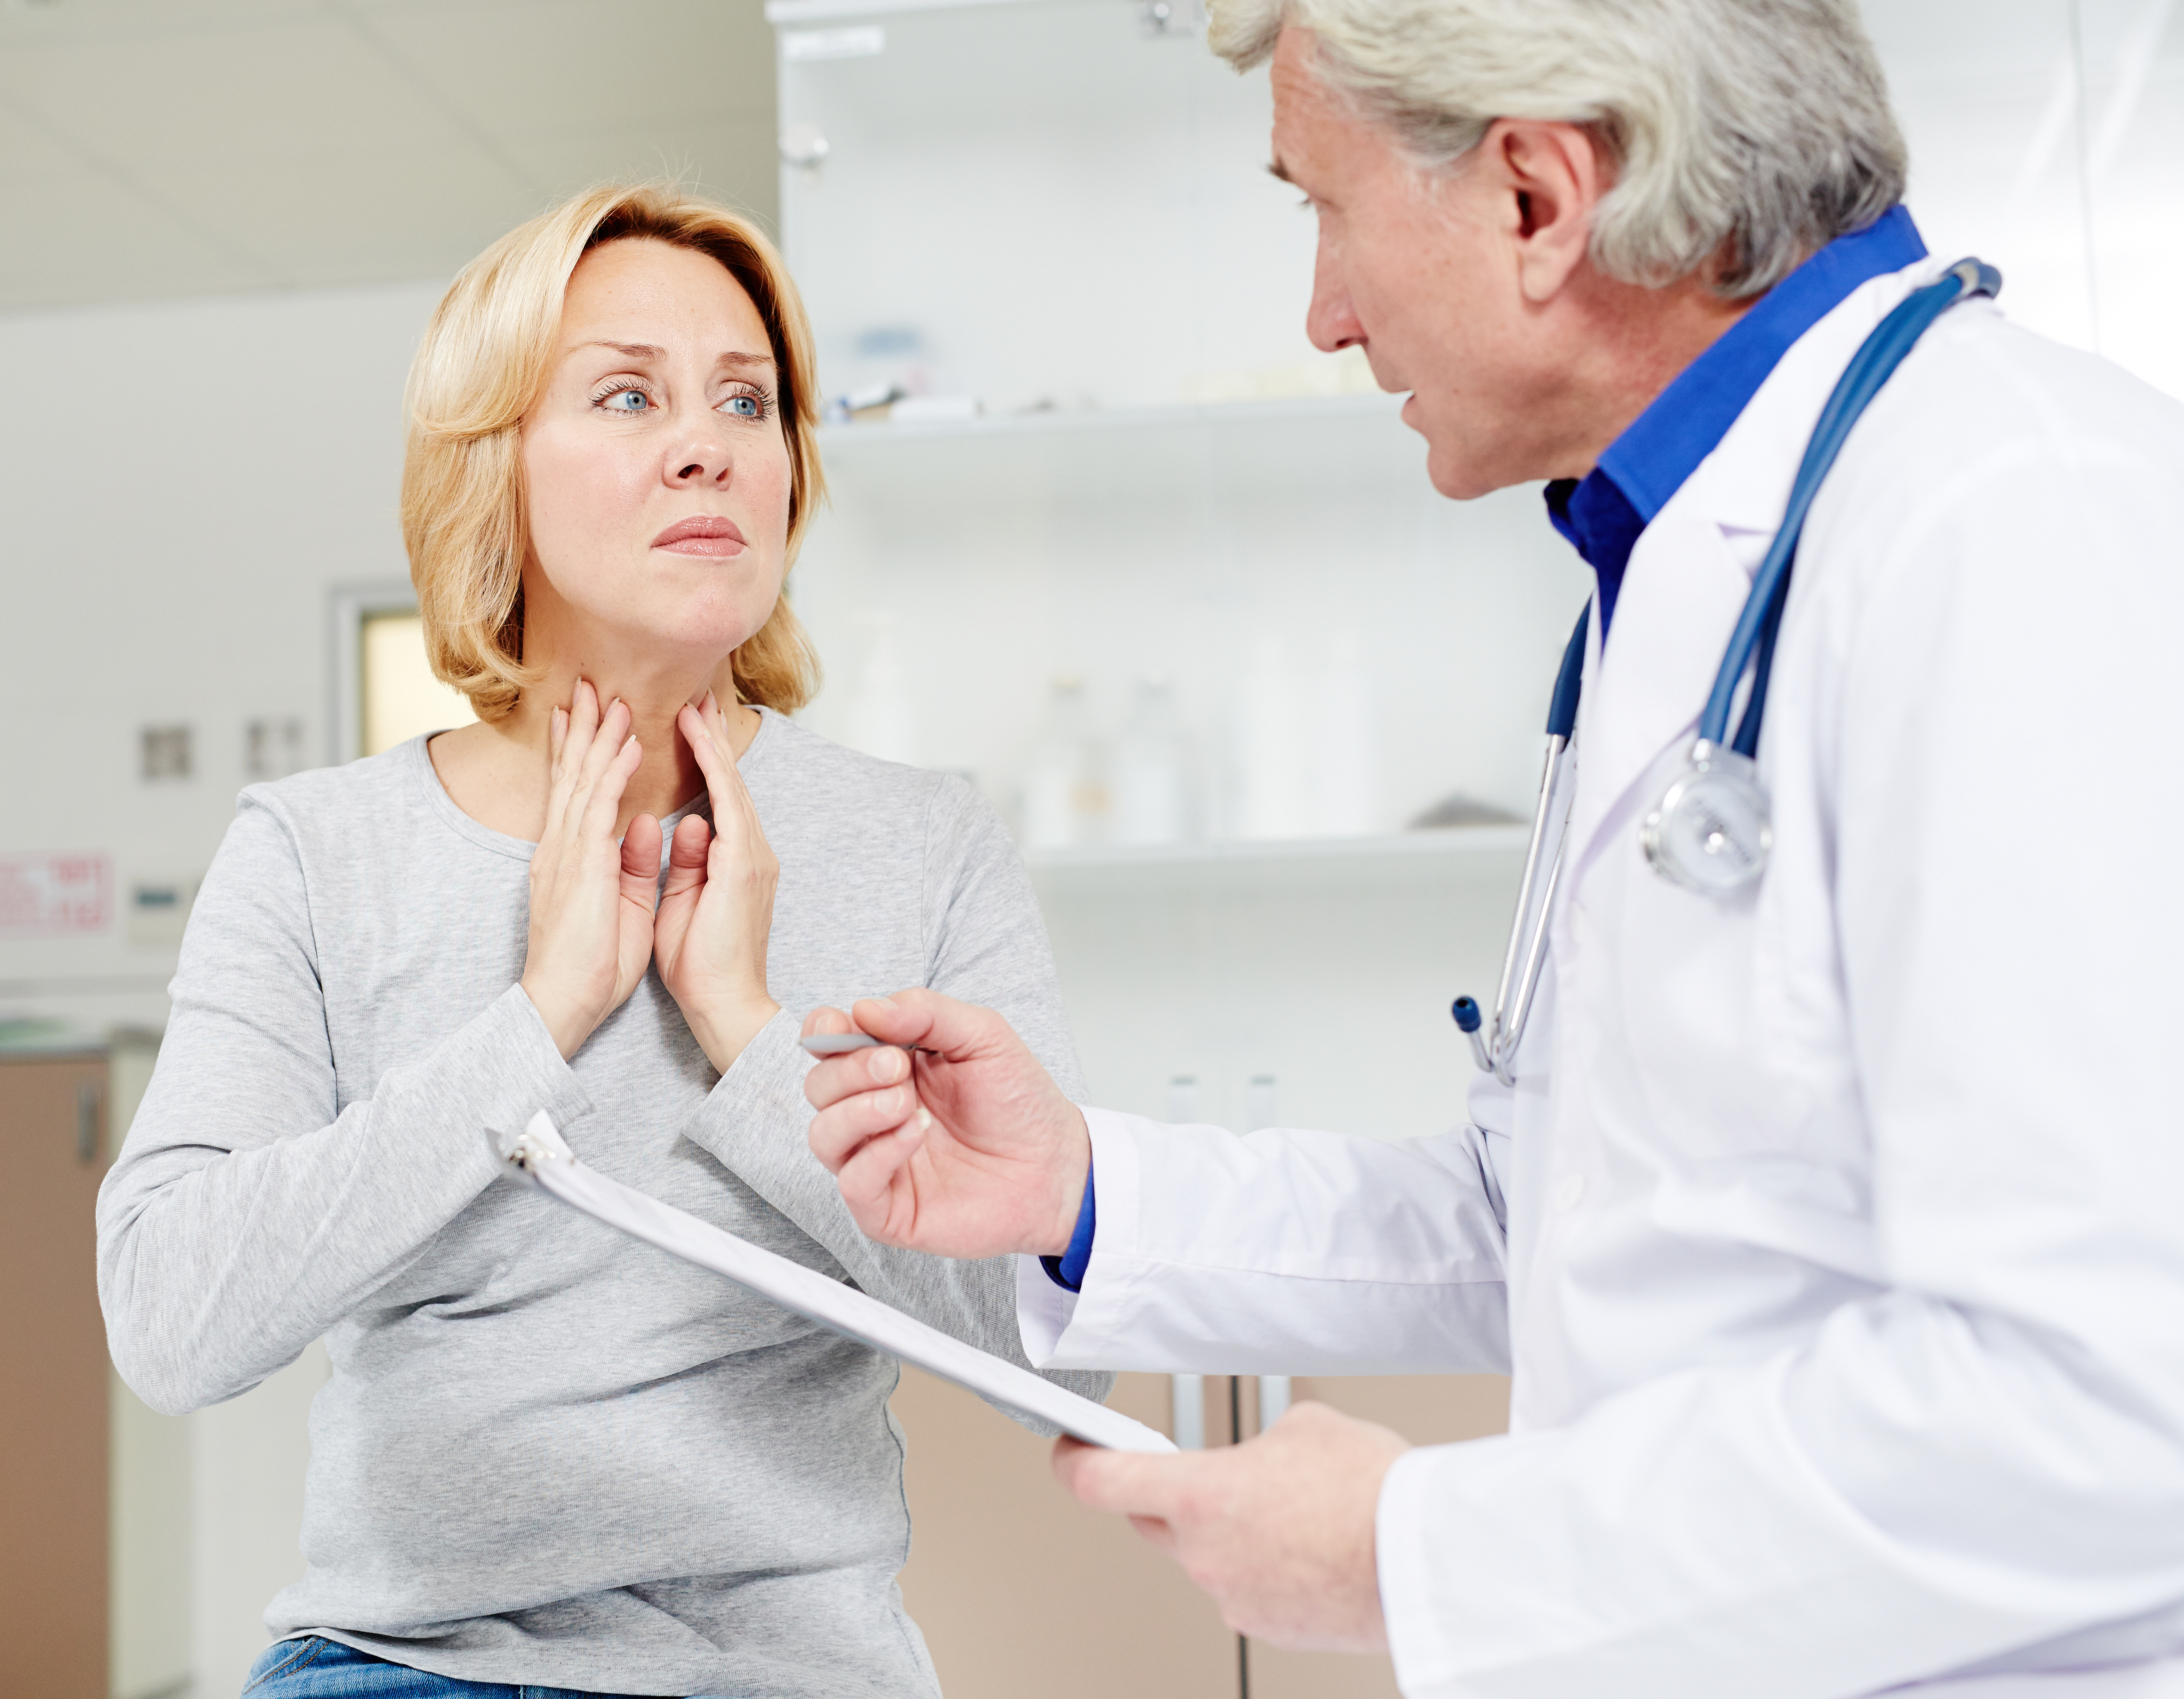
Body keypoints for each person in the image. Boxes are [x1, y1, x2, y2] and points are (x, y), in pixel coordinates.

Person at [799, 2, 2184, 1694]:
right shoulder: (1675, 579)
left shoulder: (2011, 523)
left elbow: (2118, 1407)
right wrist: (1082, 1190)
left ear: (1537, 199)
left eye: (1325, 205)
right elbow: (1565, 1223)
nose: (1322, 314)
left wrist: (1418, 1554)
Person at [96, 182, 1106, 1699]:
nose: (708, 443)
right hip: (403, 1663)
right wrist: (536, 1024)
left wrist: (757, 1041)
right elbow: (172, 1324)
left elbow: (1061, 1362)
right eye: (628, 394)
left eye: (748, 401)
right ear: (492, 473)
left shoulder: (925, 846)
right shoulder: (316, 852)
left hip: (792, 1670)